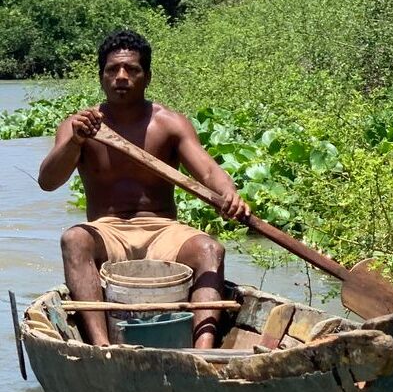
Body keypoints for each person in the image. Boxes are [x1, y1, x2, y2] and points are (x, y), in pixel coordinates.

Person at [38, 29, 250, 349]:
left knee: (211, 249)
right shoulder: (78, 126)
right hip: (107, 231)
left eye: (132, 70)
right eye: (112, 70)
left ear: (146, 77)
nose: (121, 77)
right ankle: (102, 348)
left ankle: (204, 353)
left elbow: (208, 170)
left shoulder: (169, 123)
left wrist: (229, 192)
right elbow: (48, 181)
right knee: (74, 239)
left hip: (163, 229)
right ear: (101, 77)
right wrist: (76, 141)